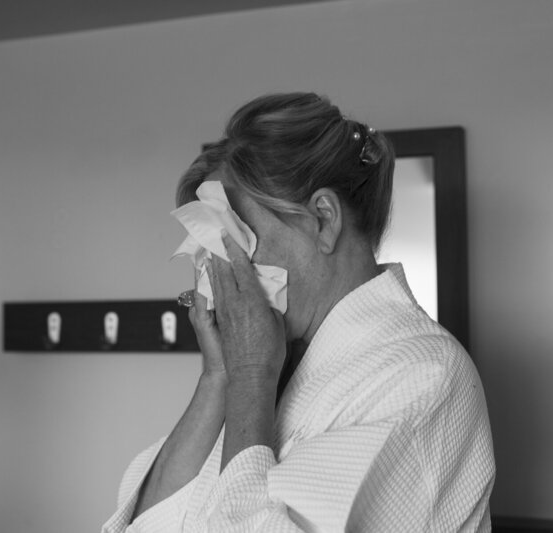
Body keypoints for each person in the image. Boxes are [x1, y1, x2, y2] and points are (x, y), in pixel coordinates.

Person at [101, 93, 495, 533]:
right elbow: (145, 524)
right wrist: (219, 377)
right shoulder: (277, 364)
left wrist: (251, 377)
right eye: (209, 250)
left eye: (236, 240)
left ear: (323, 220)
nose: (219, 275)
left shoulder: (423, 377)